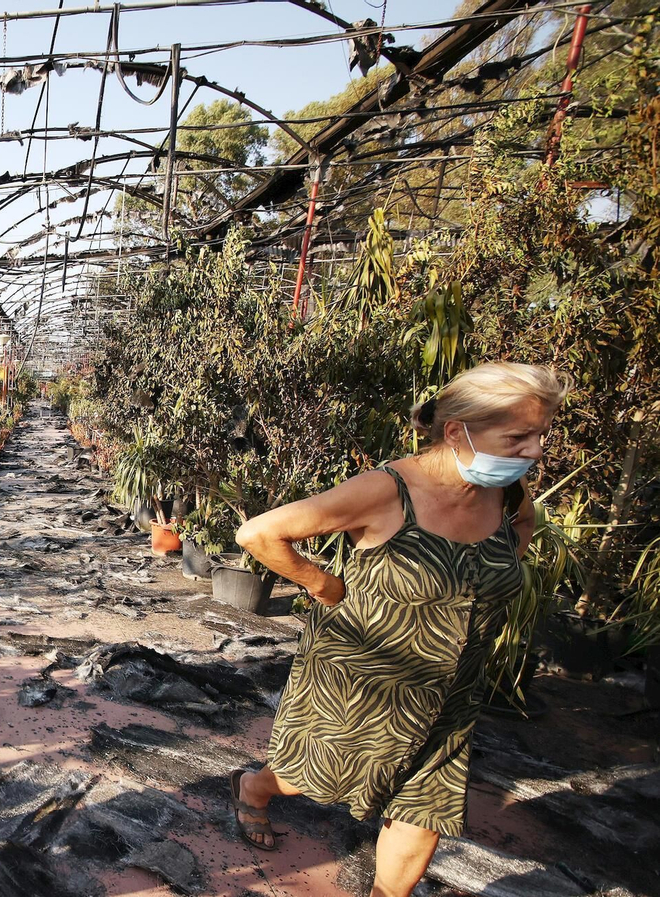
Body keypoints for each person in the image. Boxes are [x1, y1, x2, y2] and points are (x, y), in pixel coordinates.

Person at [229, 362, 568, 897]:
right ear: (457, 431)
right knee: (309, 777)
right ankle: (255, 787)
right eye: (519, 437)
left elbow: (523, 527)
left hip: (451, 690)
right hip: (364, 678)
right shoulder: (388, 490)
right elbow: (260, 533)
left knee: (425, 807)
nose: (535, 451)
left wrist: (498, 570)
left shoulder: (508, 494)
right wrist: (325, 586)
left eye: (540, 436)